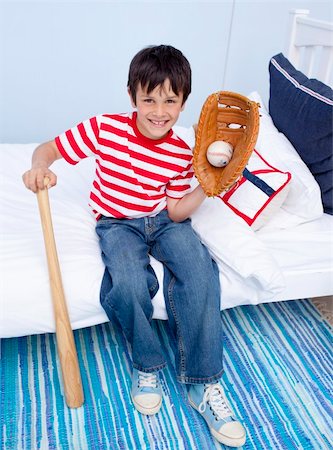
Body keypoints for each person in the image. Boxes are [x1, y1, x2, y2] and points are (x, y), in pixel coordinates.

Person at [22, 45, 246, 447]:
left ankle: (203, 384)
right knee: (125, 283)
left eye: (170, 101)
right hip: (117, 223)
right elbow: (49, 149)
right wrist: (40, 166)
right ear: (132, 97)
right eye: (149, 99)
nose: (159, 111)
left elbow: (177, 211)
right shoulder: (106, 128)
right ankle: (146, 364)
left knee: (199, 271)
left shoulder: (183, 151)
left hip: (163, 221)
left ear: (183, 104)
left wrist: (209, 188)